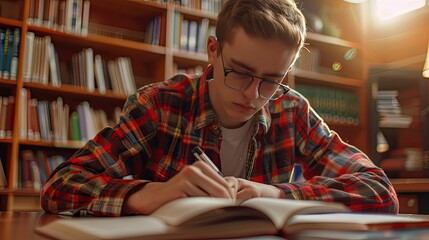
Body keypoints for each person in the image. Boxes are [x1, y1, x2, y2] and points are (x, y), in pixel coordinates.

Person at [41, 0, 399, 216]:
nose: (254, 95)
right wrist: (146, 195)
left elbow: (379, 189)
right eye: (241, 72)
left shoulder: (292, 111)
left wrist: (279, 193)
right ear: (213, 50)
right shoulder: (159, 105)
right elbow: (61, 186)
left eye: (272, 79)